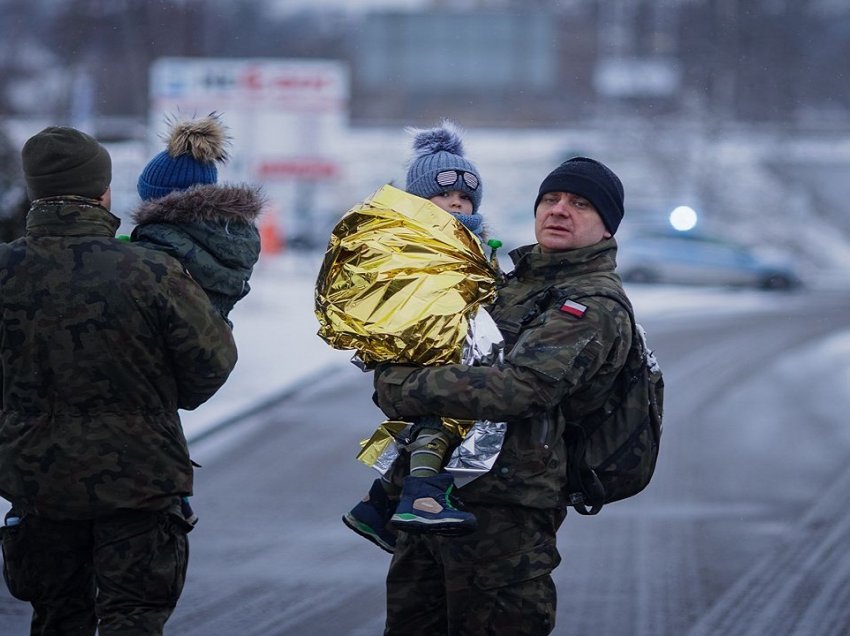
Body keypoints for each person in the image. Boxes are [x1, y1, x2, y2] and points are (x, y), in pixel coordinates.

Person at [371, 156, 632, 635]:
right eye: (550, 199)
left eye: (579, 204)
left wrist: (406, 386)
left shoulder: (592, 304)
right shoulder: (512, 284)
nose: (559, 210)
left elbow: (524, 388)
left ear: (606, 226)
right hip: (434, 501)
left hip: (505, 519)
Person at [0, 126, 238, 635]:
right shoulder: (151, 272)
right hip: (141, 481)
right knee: (134, 617)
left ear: (35, 191)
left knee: (57, 615)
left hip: (35, 479)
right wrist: (163, 395)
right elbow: (210, 364)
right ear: (103, 192)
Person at [342, 120, 491, 552]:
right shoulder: (412, 240)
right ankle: (422, 495)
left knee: (428, 423)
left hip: (448, 343)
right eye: (445, 195)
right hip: (426, 343)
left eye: (465, 197)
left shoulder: (470, 242)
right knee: (449, 414)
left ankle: (377, 507)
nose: (457, 204)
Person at [130, 112, 263, 328]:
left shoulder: (157, 247)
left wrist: (128, 252)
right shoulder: (235, 237)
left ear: (160, 203)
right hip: (213, 343)